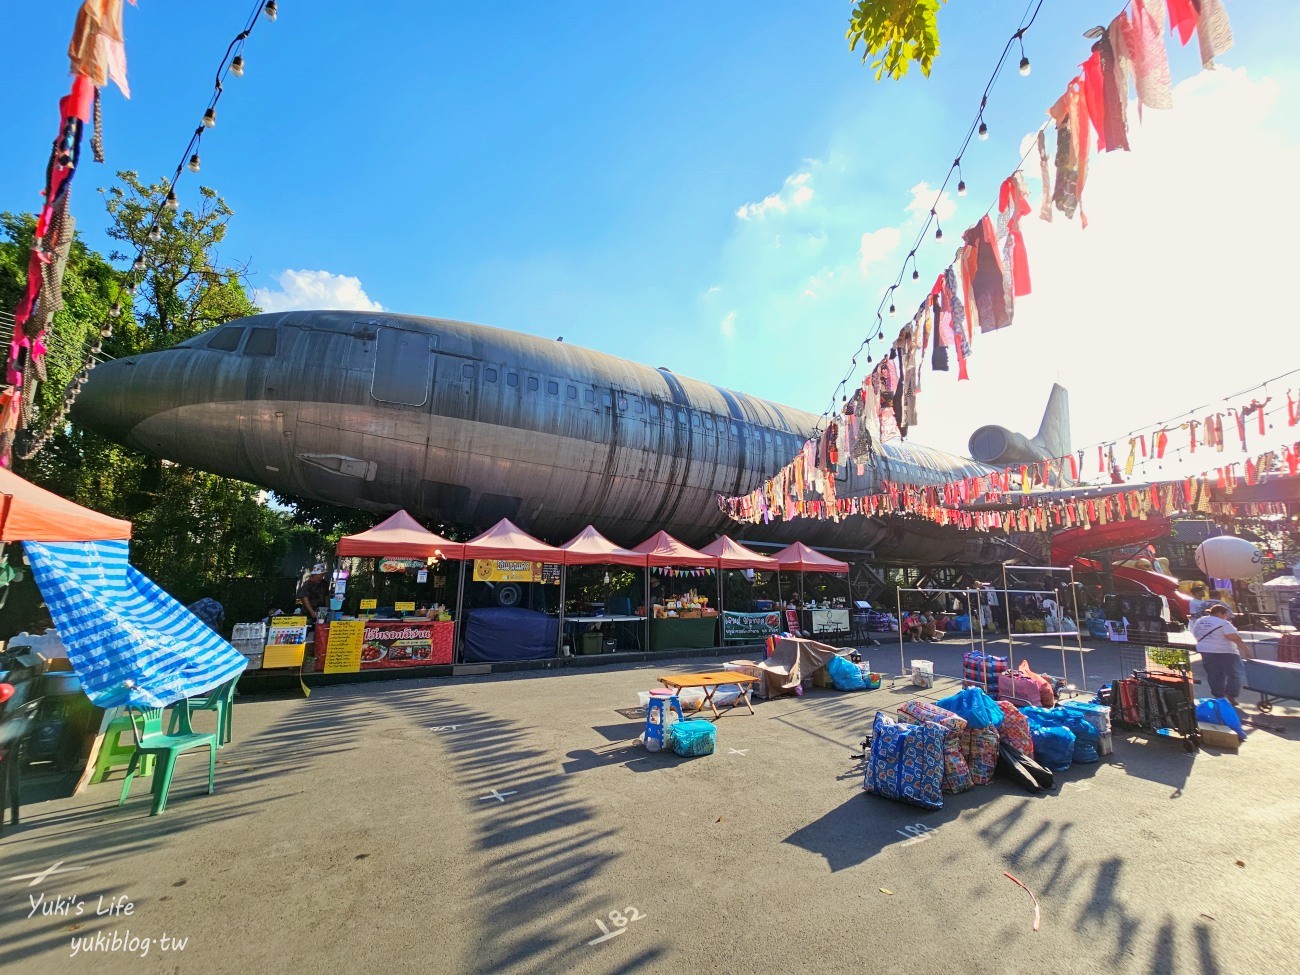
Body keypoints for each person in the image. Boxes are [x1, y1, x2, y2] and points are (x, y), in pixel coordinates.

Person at [1191, 604, 1254, 706]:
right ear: (1220, 613)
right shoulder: (1223, 623)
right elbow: (1234, 638)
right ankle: (1231, 695)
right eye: (1226, 615)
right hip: (1226, 651)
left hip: (1206, 650)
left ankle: (1219, 696)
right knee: (1235, 673)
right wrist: (1247, 651)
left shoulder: (1199, 622)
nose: (1227, 617)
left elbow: (1195, 633)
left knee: (1215, 674)